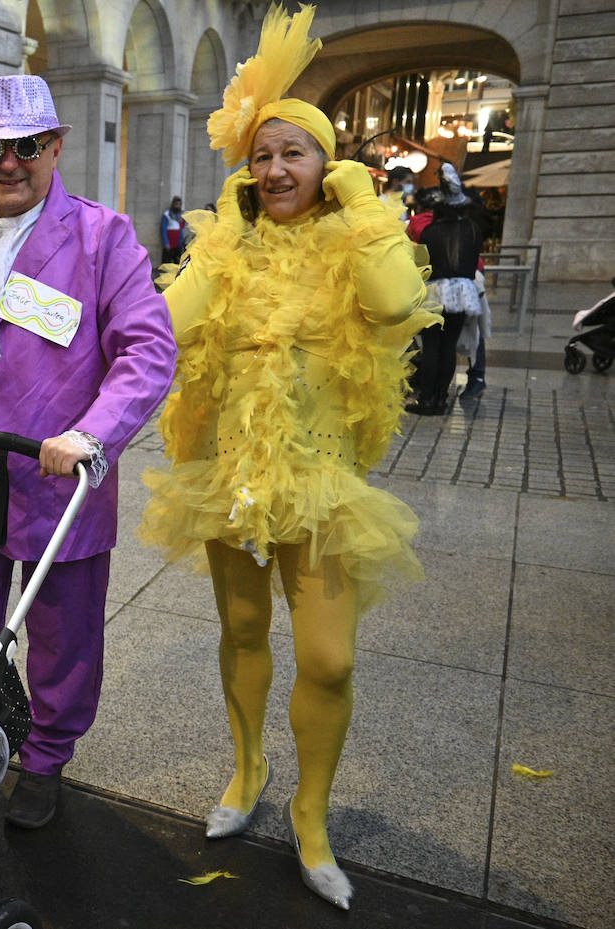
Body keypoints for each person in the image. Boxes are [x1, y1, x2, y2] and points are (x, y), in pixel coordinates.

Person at [136, 5, 438, 910]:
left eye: (293, 154)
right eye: (261, 156)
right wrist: (215, 245)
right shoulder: (227, 244)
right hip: (227, 470)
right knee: (238, 629)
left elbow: (392, 307)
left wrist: (363, 204)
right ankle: (246, 770)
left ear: (326, 164)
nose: (273, 170)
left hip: (320, 481)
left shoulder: (358, 241)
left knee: (329, 659)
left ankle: (312, 815)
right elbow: (170, 327)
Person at [0, 74, 177, 830]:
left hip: (60, 486)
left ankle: (47, 759)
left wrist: (91, 436)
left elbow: (148, 352)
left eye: (26, 147)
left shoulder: (103, 237)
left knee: (64, 636)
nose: (10, 163)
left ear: (56, 147)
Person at [405, 166, 486, 415]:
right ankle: (441, 399)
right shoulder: (473, 229)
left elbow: (423, 265)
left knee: (431, 347)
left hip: (435, 293)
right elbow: (473, 265)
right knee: (449, 347)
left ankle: (427, 400)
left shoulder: (430, 232)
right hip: (464, 291)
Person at [159, 195, 187, 265]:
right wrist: (166, 243)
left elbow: (181, 228)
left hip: (178, 244)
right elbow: (163, 230)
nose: (178, 206)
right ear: (173, 204)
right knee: (166, 264)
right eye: (176, 204)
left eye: (179, 204)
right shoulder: (167, 214)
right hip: (169, 244)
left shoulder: (181, 215)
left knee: (177, 264)